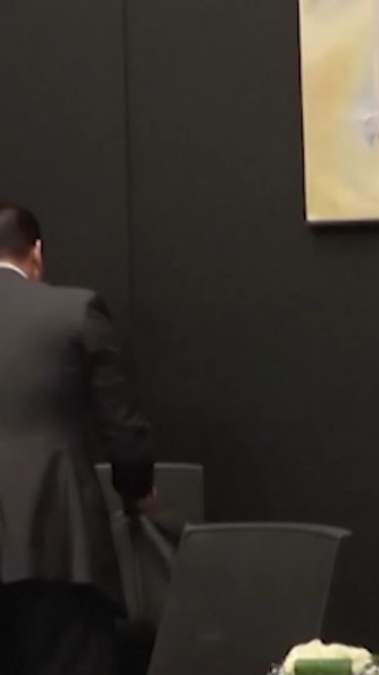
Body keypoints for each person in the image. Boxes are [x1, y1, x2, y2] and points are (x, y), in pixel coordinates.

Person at [0, 203, 155, 675]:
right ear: (37, 253)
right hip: (59, 544)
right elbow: (123, 429)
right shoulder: (74, 311)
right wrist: (136, 492)